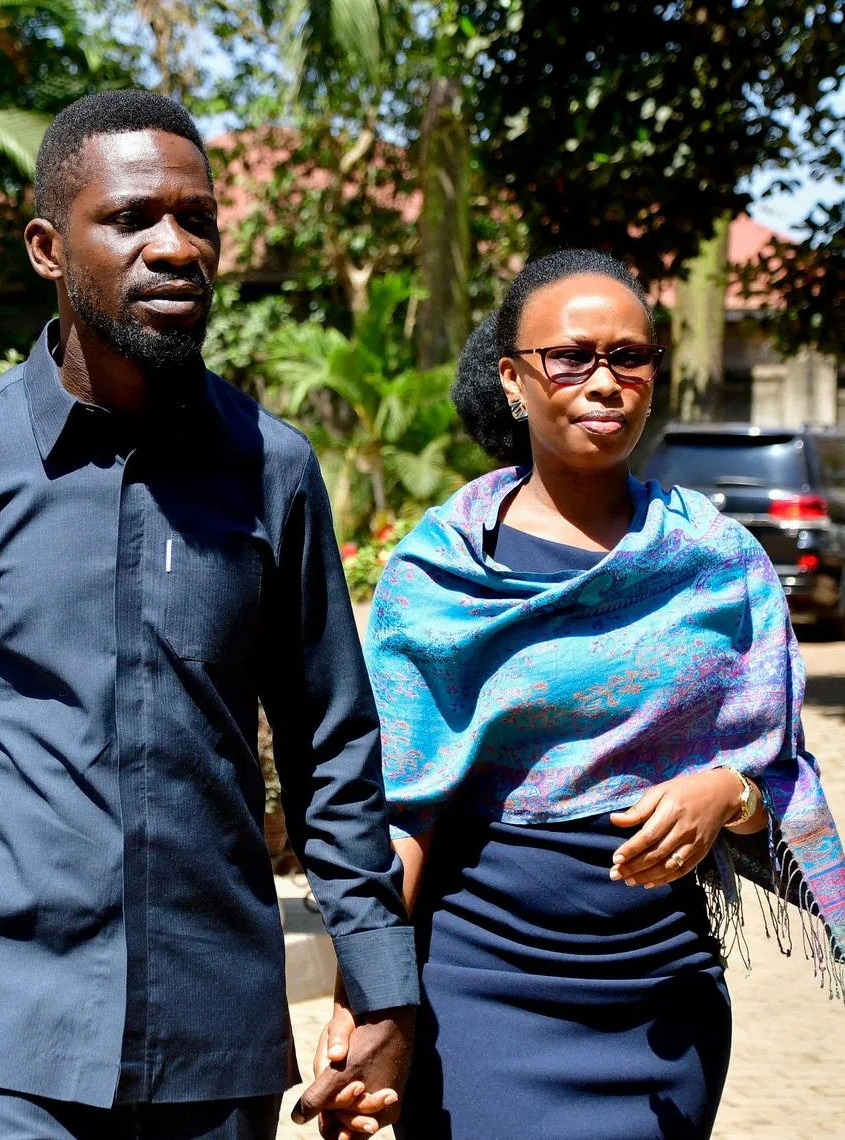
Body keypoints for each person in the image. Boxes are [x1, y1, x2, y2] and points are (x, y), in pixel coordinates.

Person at [0, 89, 417, 1140]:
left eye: (198, 219)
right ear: (50, 247)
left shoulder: (272, 470)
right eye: (135, 218)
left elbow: (333, 741)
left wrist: (380, 982)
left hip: (211, 1043)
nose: (176, 247)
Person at [317, 250, 845, 1140]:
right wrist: (367, 1002)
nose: (606, 381)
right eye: (573, 357)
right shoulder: (441, 573)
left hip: (662, 994)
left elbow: (777, 779)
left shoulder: (716, 563)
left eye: (630, 357)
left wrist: (726, 794)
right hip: (483, 983)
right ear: (514, 378)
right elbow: (401, 811)